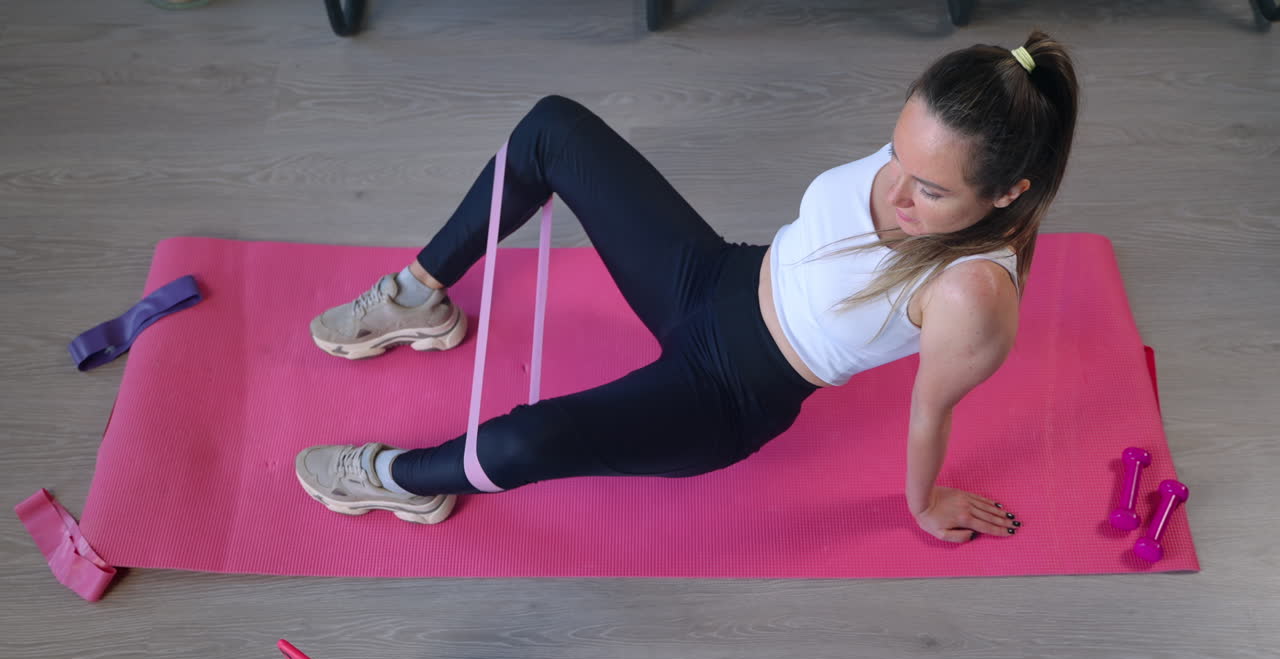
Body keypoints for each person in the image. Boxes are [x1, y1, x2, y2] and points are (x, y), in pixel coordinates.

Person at [295, 30, 1079, 543]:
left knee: (522, 441)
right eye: (898, 157)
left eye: (930, 191)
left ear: (1008, 192)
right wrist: (917, 170)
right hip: (716, 275)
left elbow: (931, 409)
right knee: (553, 129)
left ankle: (395, 481)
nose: (898, 191)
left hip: (729, 394)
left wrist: (925, 503)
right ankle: (418, 294)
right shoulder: (933, 143)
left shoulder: (973, 295)